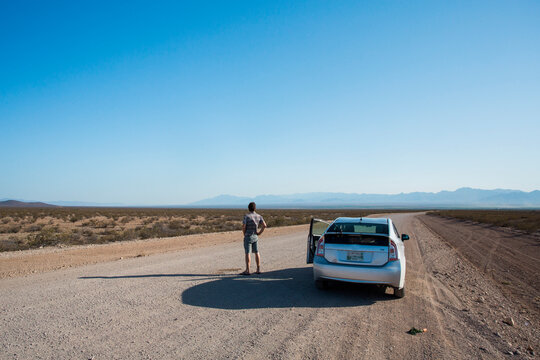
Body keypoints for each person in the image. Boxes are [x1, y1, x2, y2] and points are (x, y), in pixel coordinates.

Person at [241, 202, 266, 275]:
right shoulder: (259, 216)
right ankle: (258, 269)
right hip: (255, 236)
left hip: (248, 236)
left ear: (248, 208)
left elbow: (243, 226)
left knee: (247, 253)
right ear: (255, 208)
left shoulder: (246, 216)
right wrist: (259, 232)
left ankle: (248, 270)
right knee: (256, 252)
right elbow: (264, 225)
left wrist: (244, 233)